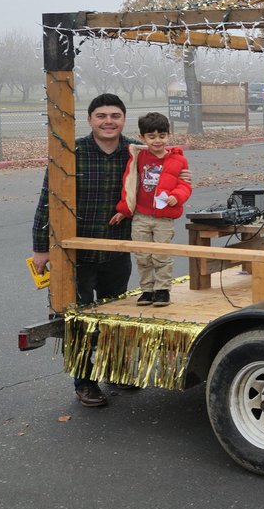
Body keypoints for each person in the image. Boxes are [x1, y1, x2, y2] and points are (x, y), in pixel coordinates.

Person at [31, 93, 136, 407]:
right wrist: (40, 248)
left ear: (123, 119)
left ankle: (114, 371)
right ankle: (85, 381)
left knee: (114, 318)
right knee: (78, 321)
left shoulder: (134, 153)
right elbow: (46, 202)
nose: (108, 121)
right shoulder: (70, 152)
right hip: (73, 255)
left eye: (114, 116)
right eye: (101, 115)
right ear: (90, 119)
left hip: (116, 251)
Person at [110, 112, 193, 308]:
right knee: (142, 254)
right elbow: (130, 184)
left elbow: (185, 184)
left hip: (164, 218)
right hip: (141, 216)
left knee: (161, 255)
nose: (157, 141)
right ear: (142, 138)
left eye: (162, 136)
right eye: (152, 136)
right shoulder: (138, 156)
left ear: (168, 135)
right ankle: (147, 290)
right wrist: (124, 209)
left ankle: (162, 290)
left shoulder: (177, 160)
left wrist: (177, 196)